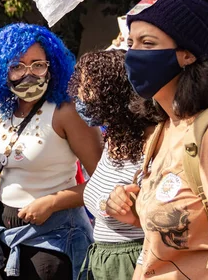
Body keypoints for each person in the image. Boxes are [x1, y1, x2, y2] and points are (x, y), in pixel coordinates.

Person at [106, 0, 208, 279]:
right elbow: (185, 234)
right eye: (131, 43)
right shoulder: (164, 129)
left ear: (187, 55)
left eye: (148, 43)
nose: (133, 54)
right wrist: (136, 212)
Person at [0, 23, 103, 280]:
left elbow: (102, 181)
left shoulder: (65, 112)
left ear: (51, 66)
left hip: (55, 236)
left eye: (37, 64)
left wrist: (52, 203)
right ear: (3, 71)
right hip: (3, 232)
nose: (28, 73)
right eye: (17, 66)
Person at [67, 49, 160, 280]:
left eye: (88, 89)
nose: (80, 98)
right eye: (80, 87)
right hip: (103, 260)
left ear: (115, 93)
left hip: (134, 263)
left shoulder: (153, 142)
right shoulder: (114, 139)